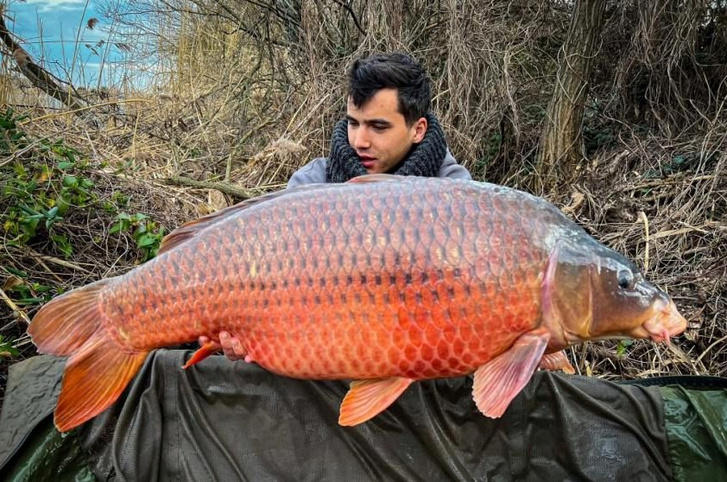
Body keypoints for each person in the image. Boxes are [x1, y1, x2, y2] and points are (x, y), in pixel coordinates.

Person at [201, 51, 471, 359]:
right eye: (353, 123)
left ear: (417, 130)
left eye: (378, 127)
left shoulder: (455, 197)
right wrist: (245, 331)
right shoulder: (312, 182)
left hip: (413, 354)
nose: (359, 141)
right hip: (321, 351)